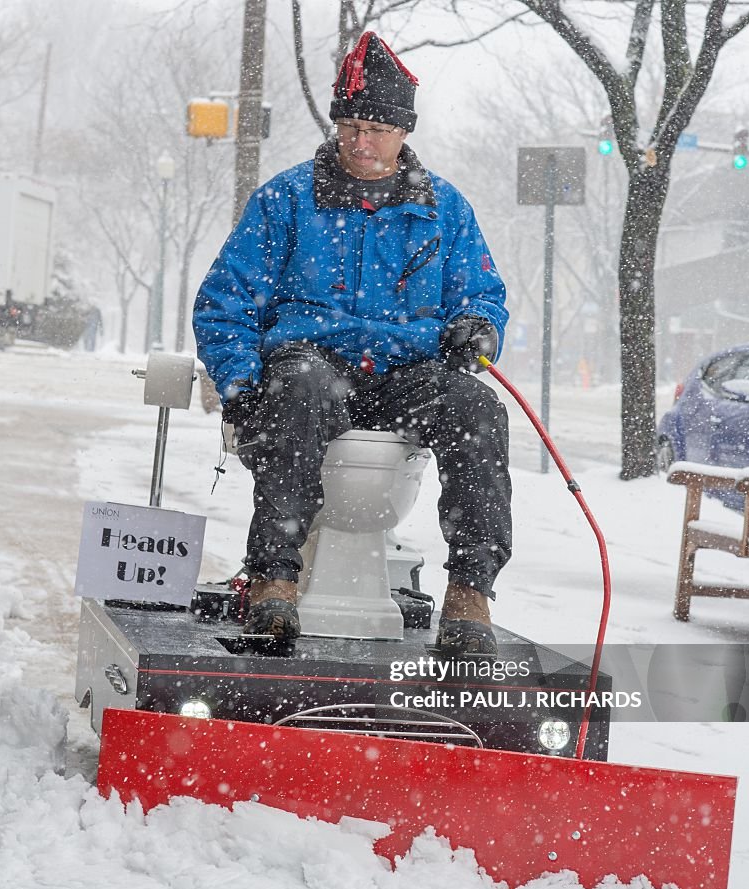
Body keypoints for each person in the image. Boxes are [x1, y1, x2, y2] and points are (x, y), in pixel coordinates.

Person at [193, 32, 511, 656]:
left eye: (375, 129)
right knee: (301, 386)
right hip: (308, 366)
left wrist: (479, 325)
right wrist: (239, 381)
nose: (360, 142)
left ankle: (471, 598)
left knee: (479, 410)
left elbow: (482, 291)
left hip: (404, 375)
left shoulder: (444, 209)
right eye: (351, 126)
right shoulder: (286, 200)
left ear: (402, 134)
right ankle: (274, 584)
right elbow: (223, 302)